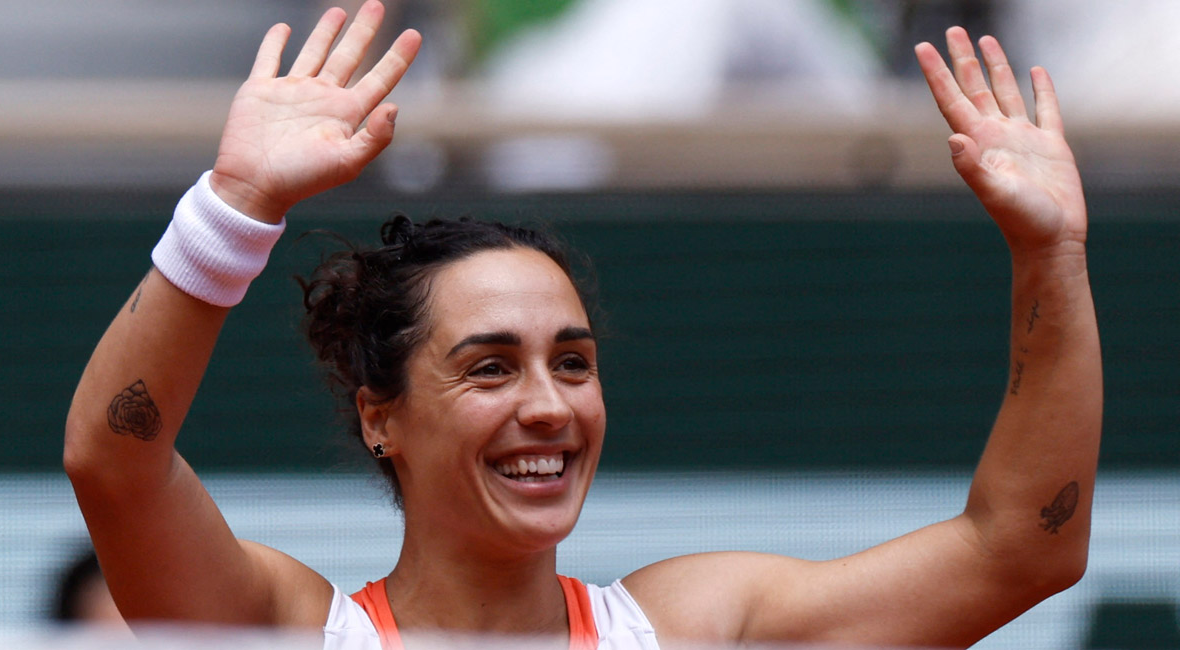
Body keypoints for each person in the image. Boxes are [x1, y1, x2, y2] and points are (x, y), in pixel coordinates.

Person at [64, 2, 1102, 647]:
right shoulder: (288, 629)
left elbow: (1023, 549)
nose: (549, 405)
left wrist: (1048, 254)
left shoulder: (696, 625)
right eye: (490, 366)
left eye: (573, 361)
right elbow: (116, 457)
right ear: (381, 414)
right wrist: (233, 204)